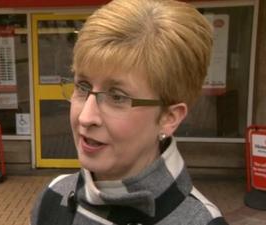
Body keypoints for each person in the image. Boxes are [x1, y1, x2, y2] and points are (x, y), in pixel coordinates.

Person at [31, 0, 228, 224]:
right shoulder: (54, 197)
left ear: (168, 117)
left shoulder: (201, 221)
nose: (86, 117)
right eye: (82, 87)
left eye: (117, 97)